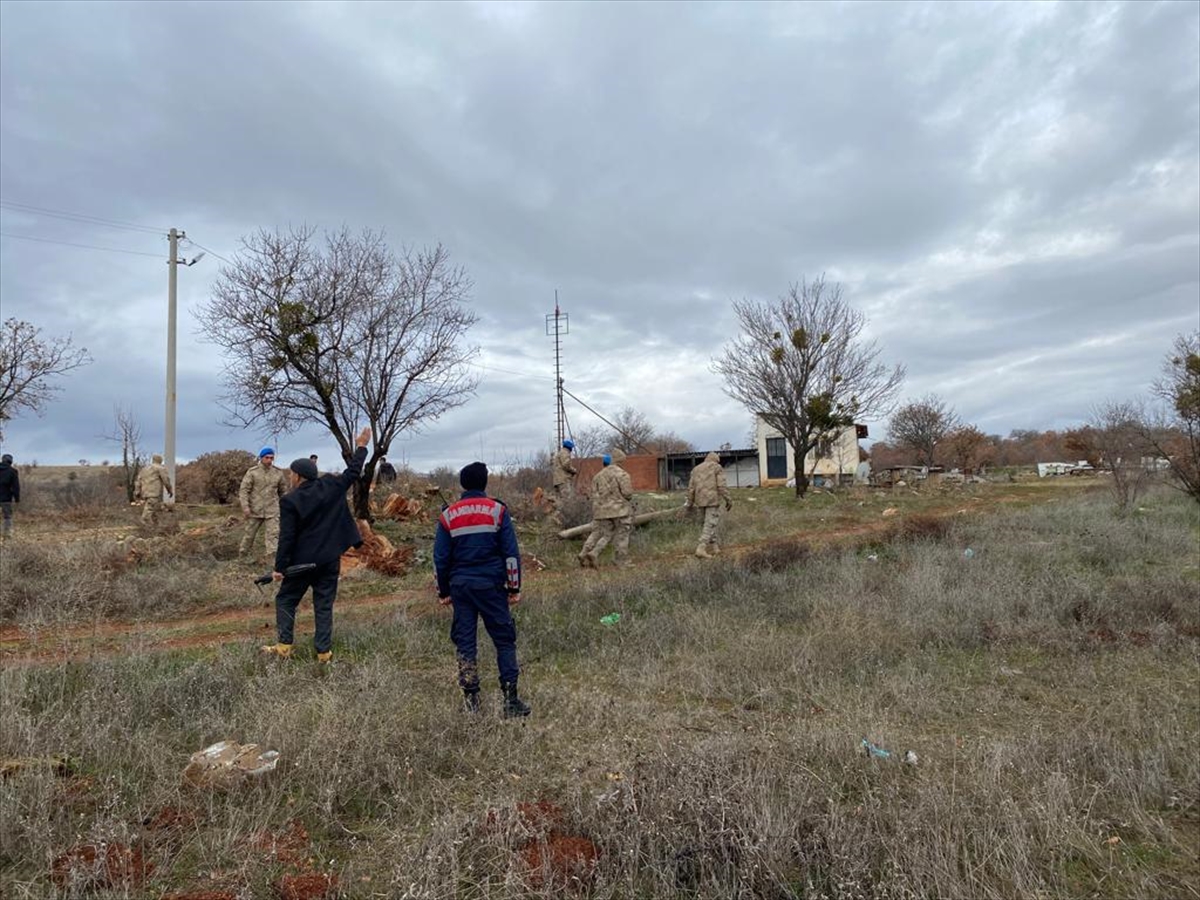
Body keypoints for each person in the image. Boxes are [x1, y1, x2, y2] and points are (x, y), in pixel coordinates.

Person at [261, 426, 371, 662]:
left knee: (286, 600)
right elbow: (353, 472)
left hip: (301, 564)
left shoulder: (290, 500)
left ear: (298, 476)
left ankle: (284, 647)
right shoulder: (332, 485)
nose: (290, 478)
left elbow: (287, 538)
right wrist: (362, 446)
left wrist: (279, 568)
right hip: (329, 560)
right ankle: (323, 653)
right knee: (323, 604)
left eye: (291, 474)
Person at [434, 461, 529, 717]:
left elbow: (441, 560)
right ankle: (511, 701)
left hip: (461, 588)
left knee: (465, 643)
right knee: (504, 640)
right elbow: (510, 554)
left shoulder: (448, 515)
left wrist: (443, 592)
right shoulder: (498, 511)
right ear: (484, 483)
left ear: (463, 484)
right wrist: (514, 587)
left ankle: (472, 703)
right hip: (492, 586)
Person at [579, 448, 634, 569]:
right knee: (622, 536)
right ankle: (620, 562)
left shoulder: (597, 476)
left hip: (602, 512)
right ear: (621, 460)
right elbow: (628, 493)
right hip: (620, 511)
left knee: (606, 534)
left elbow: (594, 494)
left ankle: (593, 553)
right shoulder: (623, 474)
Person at [238, 447, 288, 560]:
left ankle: (272, 559)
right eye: (267, 458)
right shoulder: (252, 472)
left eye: (272, 458)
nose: (269, 460)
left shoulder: (278, 473)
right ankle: (243, 556)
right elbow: (244, 490)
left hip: (272, 510)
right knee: (249, 535)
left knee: (273, 535)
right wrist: (245, 507)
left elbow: (283, 491)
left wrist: (284, 506)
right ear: (261, 458)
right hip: (255, 509)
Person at [685, 451, 732, 558]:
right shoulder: (717, 467)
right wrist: (728, 500)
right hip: (712, 500)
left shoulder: (696, 469)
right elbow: (721, 486)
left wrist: (690, 503)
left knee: (707, 524)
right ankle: (701, 548)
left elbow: (691, 488)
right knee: (710, 524)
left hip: (699, 500)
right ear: (716, 459)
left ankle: (715, 547)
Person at [134, 453, 174, 530]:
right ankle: (146, 525)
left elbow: (138, 481)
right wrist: (170, 490)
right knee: (149, 509)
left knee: (153, 509)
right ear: (160, 460)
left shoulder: (144, 469)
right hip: (153, 492)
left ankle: (155, 526)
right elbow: (166, 480)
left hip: (144, 492)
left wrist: (137, 492)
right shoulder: (160, 468)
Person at [0, 453, 19, 540]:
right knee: (7, 517)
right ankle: (7, 535)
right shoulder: (12, 471)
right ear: (10, 461)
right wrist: (17, 498)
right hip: (6, 498)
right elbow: (16, 487)